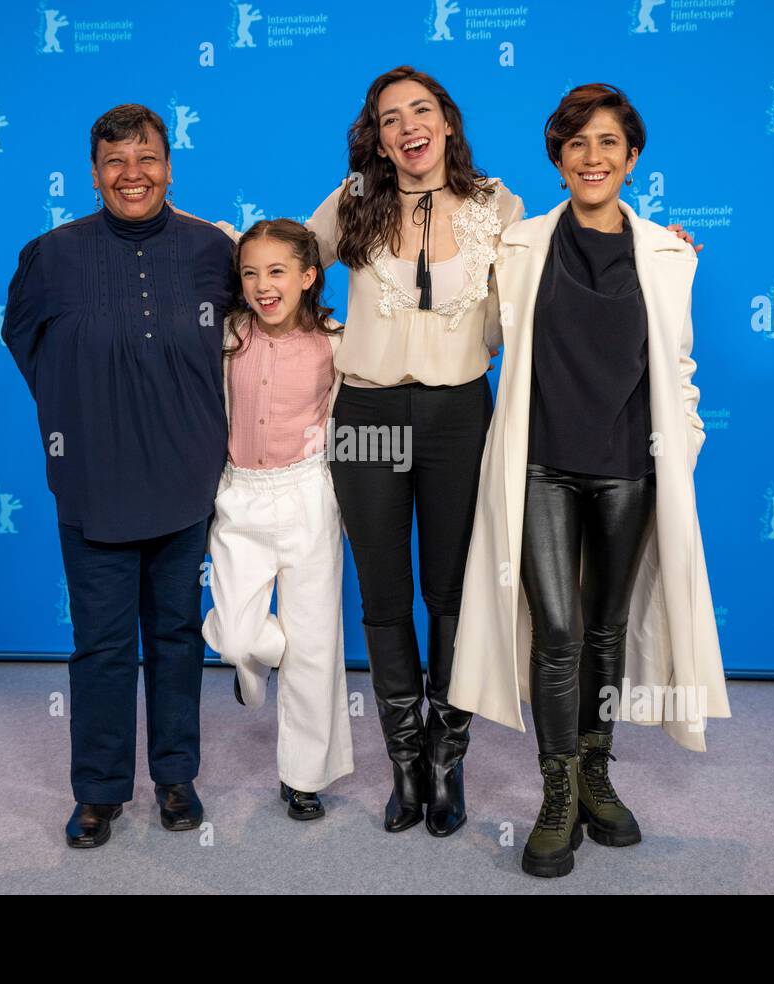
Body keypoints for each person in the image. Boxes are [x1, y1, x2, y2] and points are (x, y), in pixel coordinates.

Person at [448, 84, 731, 877]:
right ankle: (557, 791)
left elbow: (678, 367)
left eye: (609, 143)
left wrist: (685, 444)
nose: (593, 157)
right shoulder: (518, 244)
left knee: (606, 631)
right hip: (539, 465)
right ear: (559, 159)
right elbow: (474, 322)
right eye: (576, 144)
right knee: (560, 633)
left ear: (632, 158)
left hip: (629, 469)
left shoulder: (670, 255)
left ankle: (598, 772)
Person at [2, 103, 237, 848]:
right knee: (102, 644)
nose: (132, 175)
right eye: (115, 162)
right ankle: (99, 790)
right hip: (93, 479)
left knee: (175, 635)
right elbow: (23, 338)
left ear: (170, 166)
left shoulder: (212, 250)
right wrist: (81, 407)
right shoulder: (52, 253)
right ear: (94, 173)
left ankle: (175, 777)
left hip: (186, 476)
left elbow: (255, 328)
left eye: (147, 159)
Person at [305, 66, 523, 837]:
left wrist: (659, 253)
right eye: (389, 117)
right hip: (367, 409)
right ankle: (404, 759)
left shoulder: (500, 206)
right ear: (379, 135)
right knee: (385, 592)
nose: (407, 126)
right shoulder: (355, 199)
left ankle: (447, 756)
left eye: (420, 110)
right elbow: (283, 262)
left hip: (459, 412)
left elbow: (548, 280)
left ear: (448, 122)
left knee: (453, 591)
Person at [201, 219, 354, 821]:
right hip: (239, 495)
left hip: (309, 495)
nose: (264, 286)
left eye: (277, 272)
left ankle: (303, 777)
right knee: (237, 635)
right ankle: (253, 664)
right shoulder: (227, 334)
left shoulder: (335, 340)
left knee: (315, 645)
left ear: (308, 277)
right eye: (250, 273)